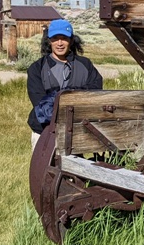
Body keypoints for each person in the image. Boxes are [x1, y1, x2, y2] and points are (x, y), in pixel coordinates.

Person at [27, 19, 103, 150]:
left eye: (64, 38)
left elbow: (94, 95)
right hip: (44, 130)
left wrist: (58, 96)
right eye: (55, 38)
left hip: (78, 131)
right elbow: (41, 104)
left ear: (71, 41)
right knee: (44, 169)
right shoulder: (37, 68)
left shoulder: (85, 65)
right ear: (49, 41)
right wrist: (75, 96)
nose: (60, 43)